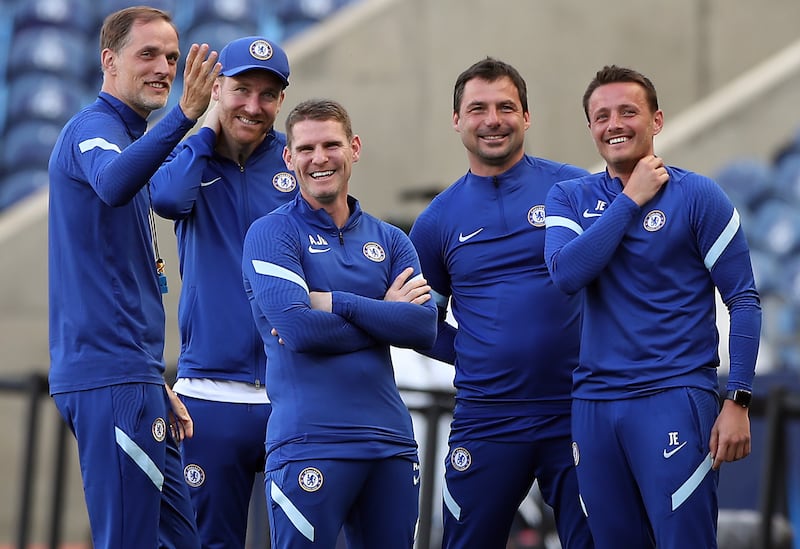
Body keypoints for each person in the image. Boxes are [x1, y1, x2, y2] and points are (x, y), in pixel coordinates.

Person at [543, 65, 762, 548]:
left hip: (674, 397)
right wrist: (630, 200)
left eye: (628, 112)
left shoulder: (698, 195)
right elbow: (566, 274)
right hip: (594, 405)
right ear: (590, 128)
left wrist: (739, 399)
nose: (614, 124)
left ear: (656, 120)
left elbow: (743, 300)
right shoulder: (569, 196)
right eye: (602, 116)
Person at [47, 6, 220, 549]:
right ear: (108, 61)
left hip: (133, 375)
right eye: (147, 54)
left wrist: (149, 375)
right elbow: (113, 184)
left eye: (171, 56)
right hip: (110, 375)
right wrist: (185, 116)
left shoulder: (129, 138)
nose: (164, 67)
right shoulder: (94, 130)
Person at [408, 57, 594, 548]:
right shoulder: (436, 221)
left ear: (527, 117)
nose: (493, 119)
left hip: (578, 408)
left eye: (506, 107)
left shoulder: (574, 190)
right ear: (457, 120)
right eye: (478, 109)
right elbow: (419, 320)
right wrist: (470, 353)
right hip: (488, 416)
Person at [241, 98, 437, 548]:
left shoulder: (390, 238)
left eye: (331, 144)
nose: (319, 158)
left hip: (391, 443)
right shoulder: (272, 234)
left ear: (354, 148)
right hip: (309, 442)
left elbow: (422, 328)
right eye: (306, 148)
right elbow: (300, 330)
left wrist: (337, 301)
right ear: (289, 158)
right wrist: (384, 310)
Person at [150, 35, 296, 548]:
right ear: (217, 89)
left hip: (294, 392)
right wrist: (205, 125)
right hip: (209, 396)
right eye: (241, 90)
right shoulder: (191, 156)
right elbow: (165, 198)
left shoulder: (295, 161)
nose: (254, 107)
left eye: (268, 95)